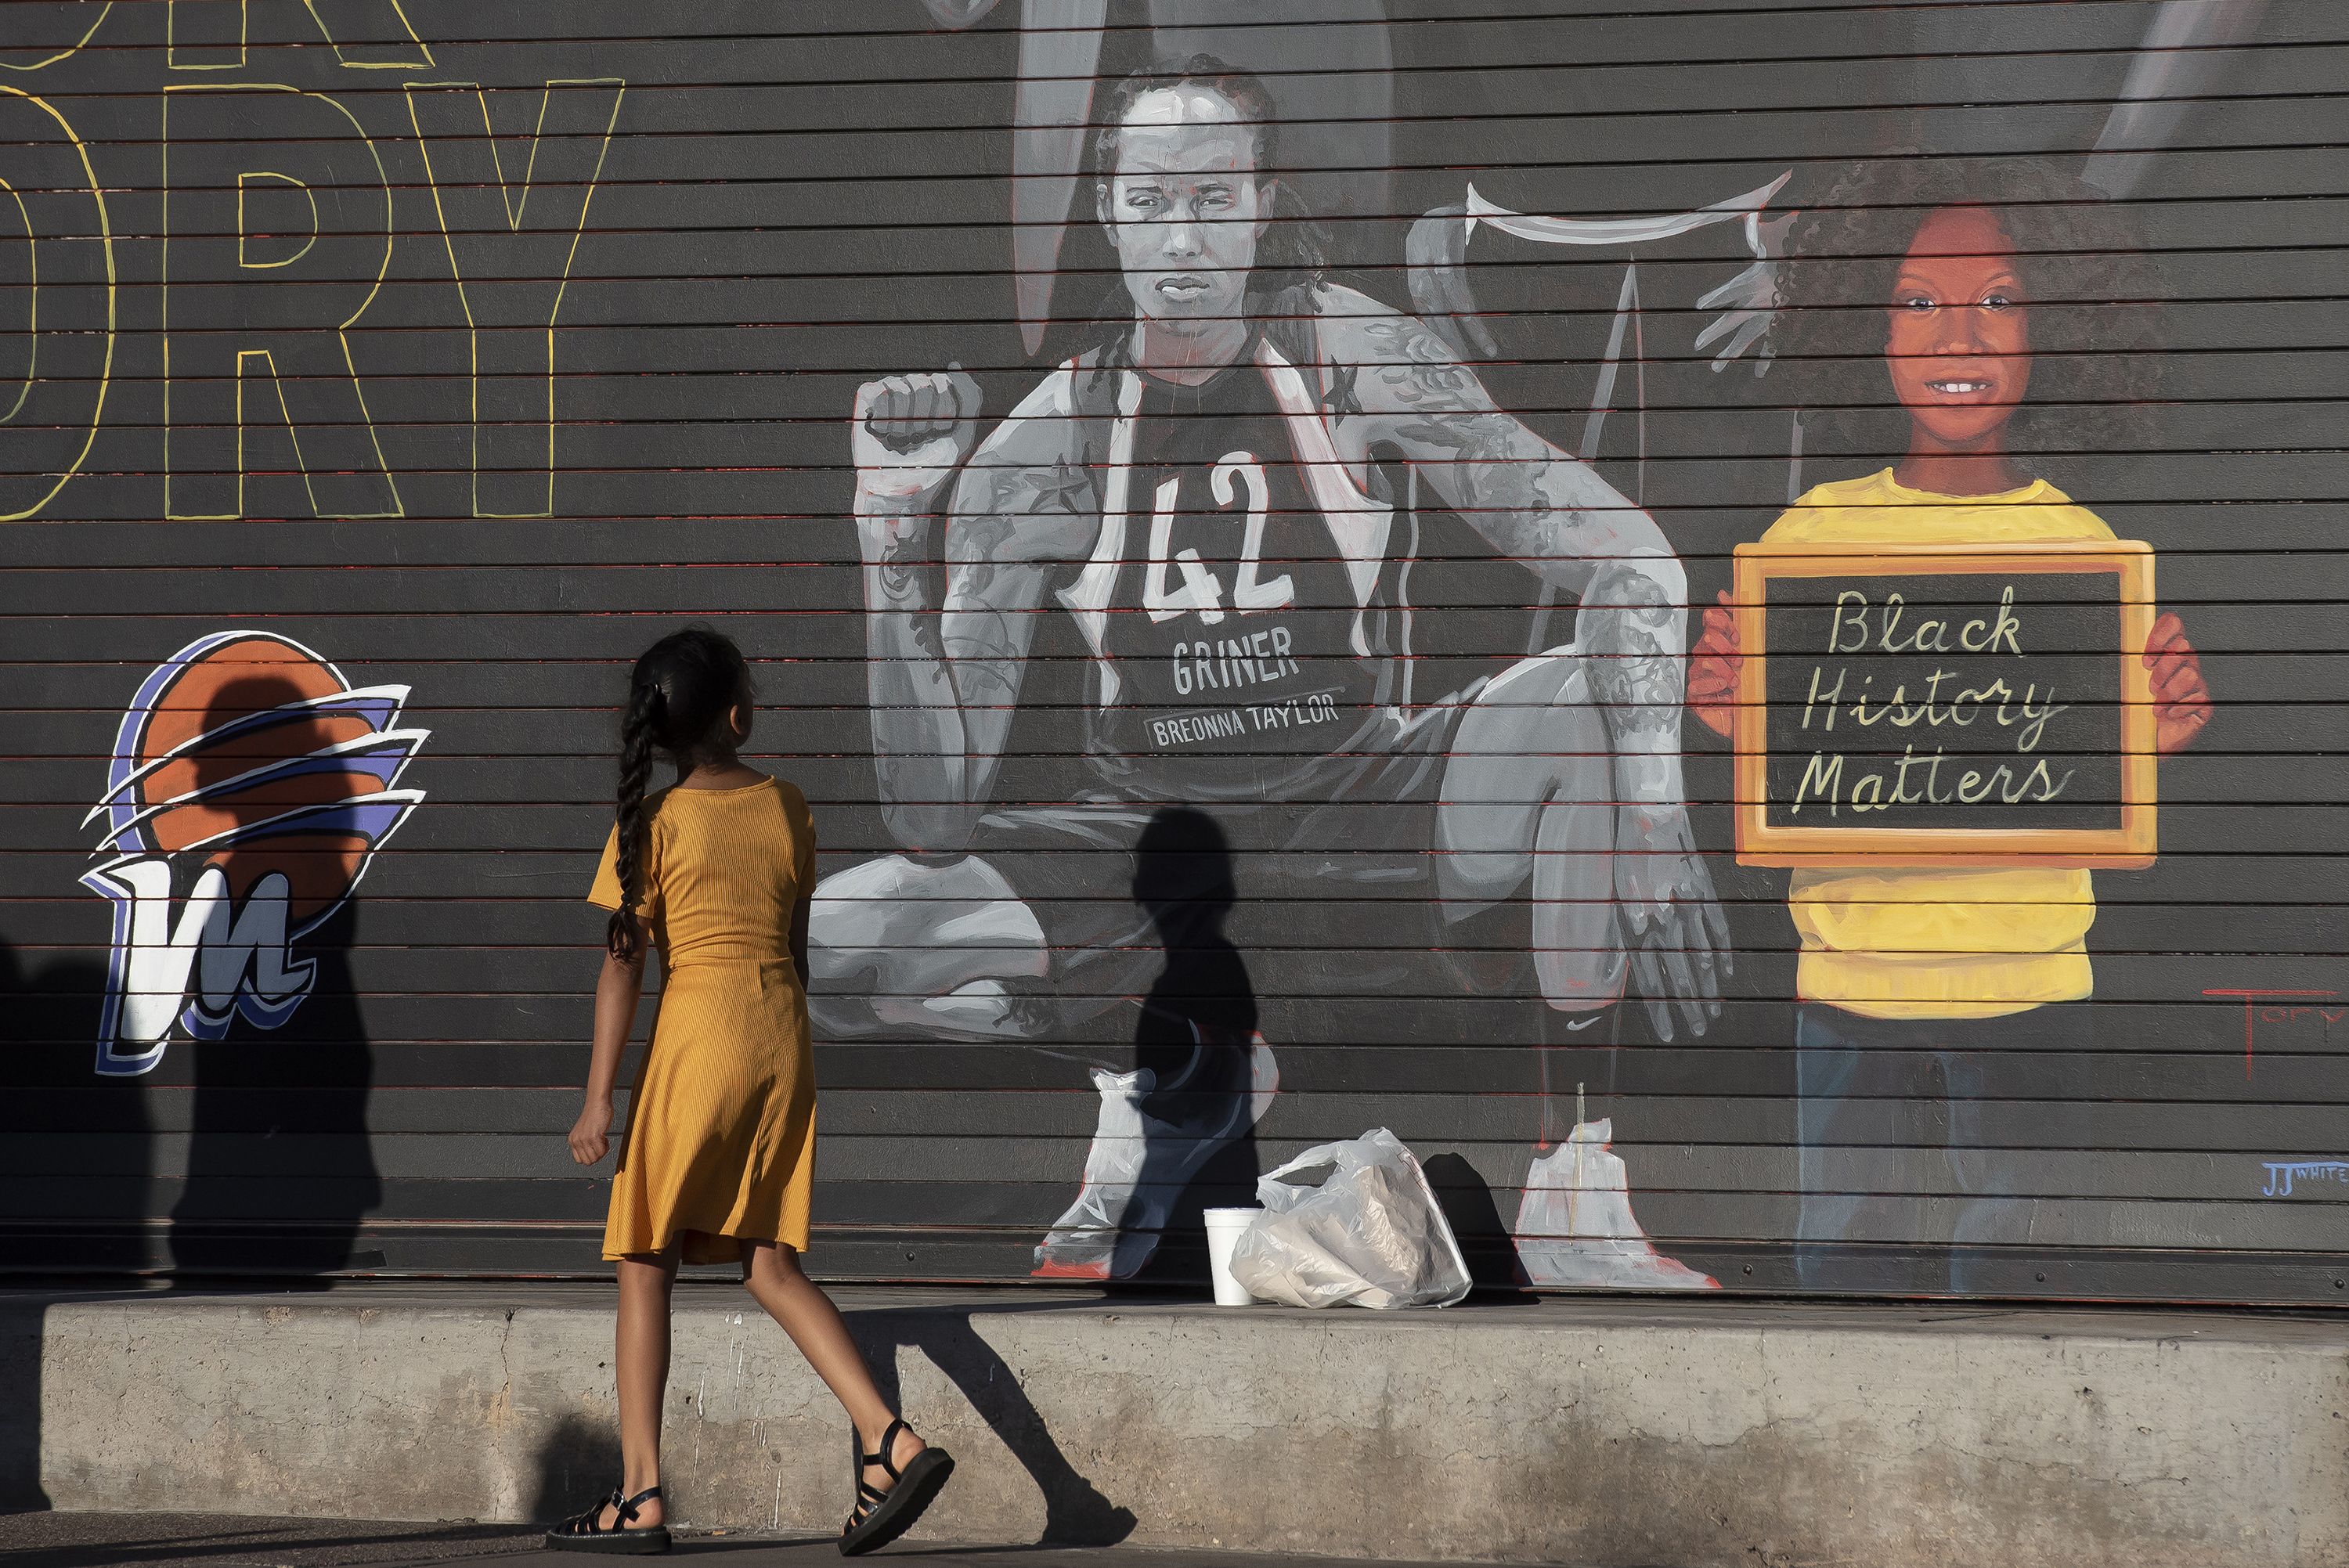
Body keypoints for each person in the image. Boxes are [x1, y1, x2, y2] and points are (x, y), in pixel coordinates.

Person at [817, 55, 1727, 1281]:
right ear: (1107, 212)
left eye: (1212, 198)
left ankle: (1576, 1181)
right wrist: (889, 528)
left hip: (1366, 804)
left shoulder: (1345, 351)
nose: (1181, 236)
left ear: (1262, 204)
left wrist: (1657, 810)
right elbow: (929, 815)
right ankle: (1166, 1071)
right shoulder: (1042, 449)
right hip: (1155, 850)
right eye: (1151, 201)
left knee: (1589, 696)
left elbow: (1631, 559)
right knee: (826, 944)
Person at [1685, 160, 2214, 1293]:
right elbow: (1800, 750)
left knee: (2025, 1279)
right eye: (1919, 300)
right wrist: (1735, 718)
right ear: (1867, 328)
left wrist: (2149, 744)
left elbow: (2079, 760)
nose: (1959, 336)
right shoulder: (1812, 537)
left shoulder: (2084, 550)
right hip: (1852, 980)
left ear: (2051, 327)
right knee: (1845, 1261)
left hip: (2031, 977)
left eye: (1999, 299)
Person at [550, 628, 954, 1555]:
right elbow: (797, 952)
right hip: (781, 1041)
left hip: (699, 1042)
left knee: (644, 1257)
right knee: (770, 1264)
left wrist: (598, 1098)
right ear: (738, 716)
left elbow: (622, 967)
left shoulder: (651, 824)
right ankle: (888, 1438)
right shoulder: (789, 805)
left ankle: (641, 1492)